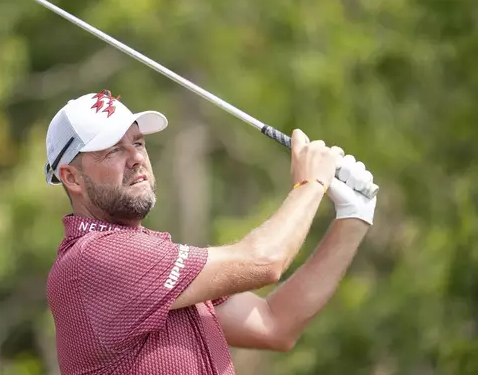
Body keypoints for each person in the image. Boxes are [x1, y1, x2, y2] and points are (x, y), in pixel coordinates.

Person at [44, 89, 377, 375]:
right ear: (71, 177)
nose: (136, 158)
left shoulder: (151, 263)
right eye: (114, 150)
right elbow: (265, 261)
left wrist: (353, 217)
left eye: (139, 143)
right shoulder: (94, 259)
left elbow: (275, 323)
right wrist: (311, 183)